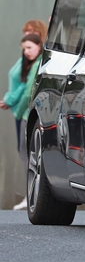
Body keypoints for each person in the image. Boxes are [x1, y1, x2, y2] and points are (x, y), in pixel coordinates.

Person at [1, 33, 44, 210]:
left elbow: (27, 92)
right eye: (24, 48)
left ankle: (32, 193)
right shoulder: (29, 63)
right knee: (25, 154)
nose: (26, 51)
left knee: (27, 155)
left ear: (39, 46)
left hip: (26, 114)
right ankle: (31, 193)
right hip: (23, 113)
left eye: (29, 47)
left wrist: (15, 108)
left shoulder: (37, 64)